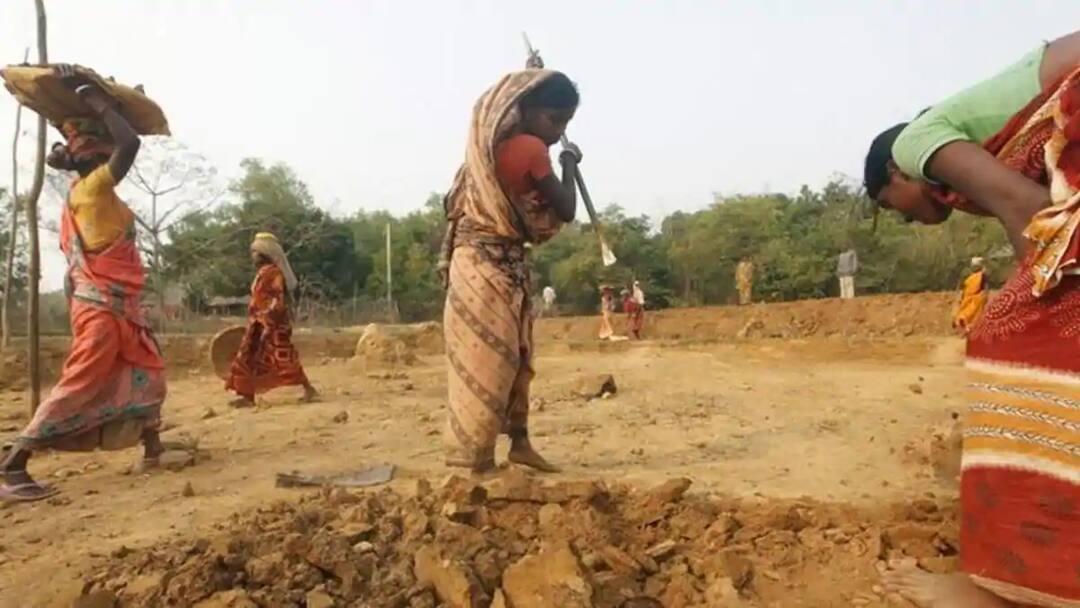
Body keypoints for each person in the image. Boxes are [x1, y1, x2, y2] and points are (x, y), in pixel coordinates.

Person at [865, 31, 1080, 608]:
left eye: (890, 207)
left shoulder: (916, 142)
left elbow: (1028, 209)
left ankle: (1016, 584)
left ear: (897, 173)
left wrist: (1037, 305)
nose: (906, 220)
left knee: (1011, 347)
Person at [0, 66, 166, 502]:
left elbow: (117, 144)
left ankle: (154, 448)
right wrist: (97, 99)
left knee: (148, 372)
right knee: (81, 383)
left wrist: (76, 118)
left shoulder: (90, 191)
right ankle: (13, 466)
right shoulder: (92, 189)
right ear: (102, 153)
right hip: (103, 308)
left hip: (116, 305)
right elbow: (129, 144)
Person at [438, 69, 581, 473]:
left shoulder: (485, 153)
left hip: (484, 264)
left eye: (565, 123)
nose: (558, 131)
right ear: (526, 110)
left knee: (512, 356)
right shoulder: (530, 148)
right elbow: (566, 208)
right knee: (491, 361)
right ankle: (476, 459)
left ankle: (519, 444)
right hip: (489, 267)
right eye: (554, 119)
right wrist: (569, 163)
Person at [225, 233, 318, 407]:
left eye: (255, 252)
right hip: (258, 324)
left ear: (264, 254)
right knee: (248, 358)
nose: (252, 256)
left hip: (273, 325)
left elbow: (277, 301)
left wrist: (266, 320)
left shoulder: (274, 273)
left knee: (283, 360)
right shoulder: (263, 273)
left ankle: (309, 389)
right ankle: (247, 396)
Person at [952, 257, 989, 334]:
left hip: (969, 297)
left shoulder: (974, 275)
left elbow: (962, 288)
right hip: (976, 298)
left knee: (968, 312)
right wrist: (986, 296)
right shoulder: (981, 275)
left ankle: (965, 325)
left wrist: (961, 297)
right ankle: (967, 326)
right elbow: (986, 287)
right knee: (974, 314)